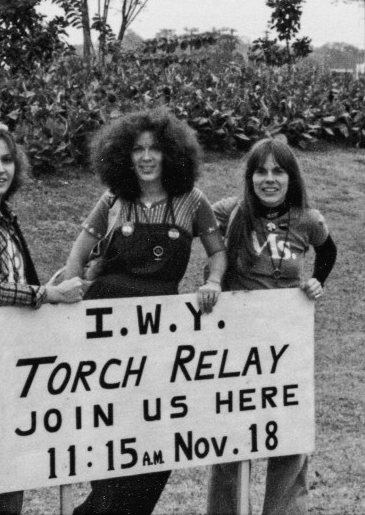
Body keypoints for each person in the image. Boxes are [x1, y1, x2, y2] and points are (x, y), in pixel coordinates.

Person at [62, 108, 228, 515]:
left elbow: (218, 252)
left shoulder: (192, 201)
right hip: (108, 323)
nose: (147, 157)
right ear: (124, 155)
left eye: (156, 148)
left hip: (160, 330)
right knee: (110, 427)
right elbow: (78, 255)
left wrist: (212, 281)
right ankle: (100, 507)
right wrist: (70, 294)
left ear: (173, 153)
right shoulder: (114, 200)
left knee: (158, 433)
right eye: (138, 149)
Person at [0, 124, 86, 515]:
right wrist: (48, 295)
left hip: (9, 357)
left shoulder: (5, 220)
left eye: (7, 159)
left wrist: (45, 287)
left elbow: (13, 283)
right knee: (4, 470)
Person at [206, 138, 337, 515]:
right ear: (249, 178)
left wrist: (318, 281)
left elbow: (328, 251)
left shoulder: (308, 218)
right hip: (236, 344)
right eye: (260, 171)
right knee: (230, 438)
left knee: (288, 437)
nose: (269, 179)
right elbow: (195, 224)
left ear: (290, 177)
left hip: (286, 344)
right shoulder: (231, 211)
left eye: (278, 171)